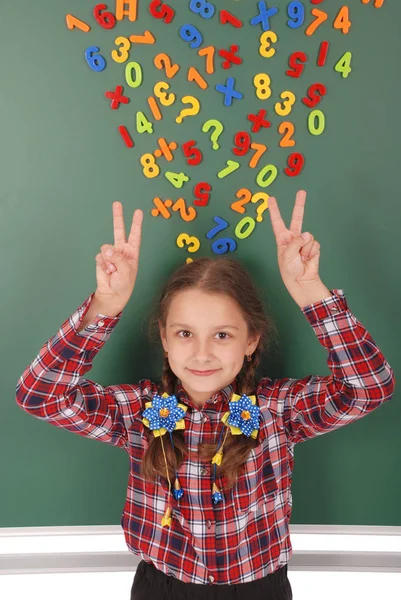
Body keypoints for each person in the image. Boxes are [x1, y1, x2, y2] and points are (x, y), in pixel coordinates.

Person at [16, 190, 395, 600]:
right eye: (184, 334)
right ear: (164, 338)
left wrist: (310, 292)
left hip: (259, 589)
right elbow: (40, 395)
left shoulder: (277, 410)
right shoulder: (138, 411)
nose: (201, 354)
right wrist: (105, 305)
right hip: (162, 588)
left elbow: (370, 387)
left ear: (251, 340)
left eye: (222, 335)